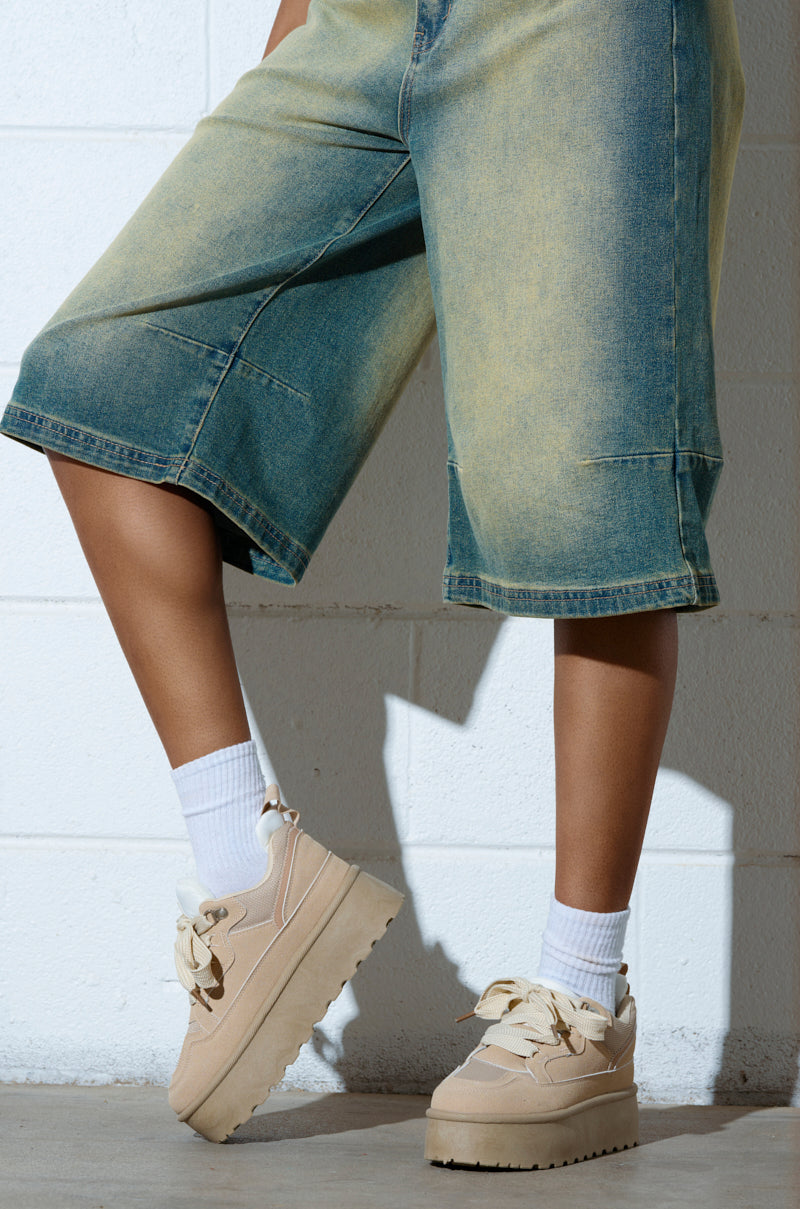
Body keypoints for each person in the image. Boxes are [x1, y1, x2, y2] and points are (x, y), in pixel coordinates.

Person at [1, 0, 745, 1168]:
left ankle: (580, 1003)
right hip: (360, 18)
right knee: (106, 382)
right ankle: (252, 878)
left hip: (587, 25)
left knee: (585, 498)